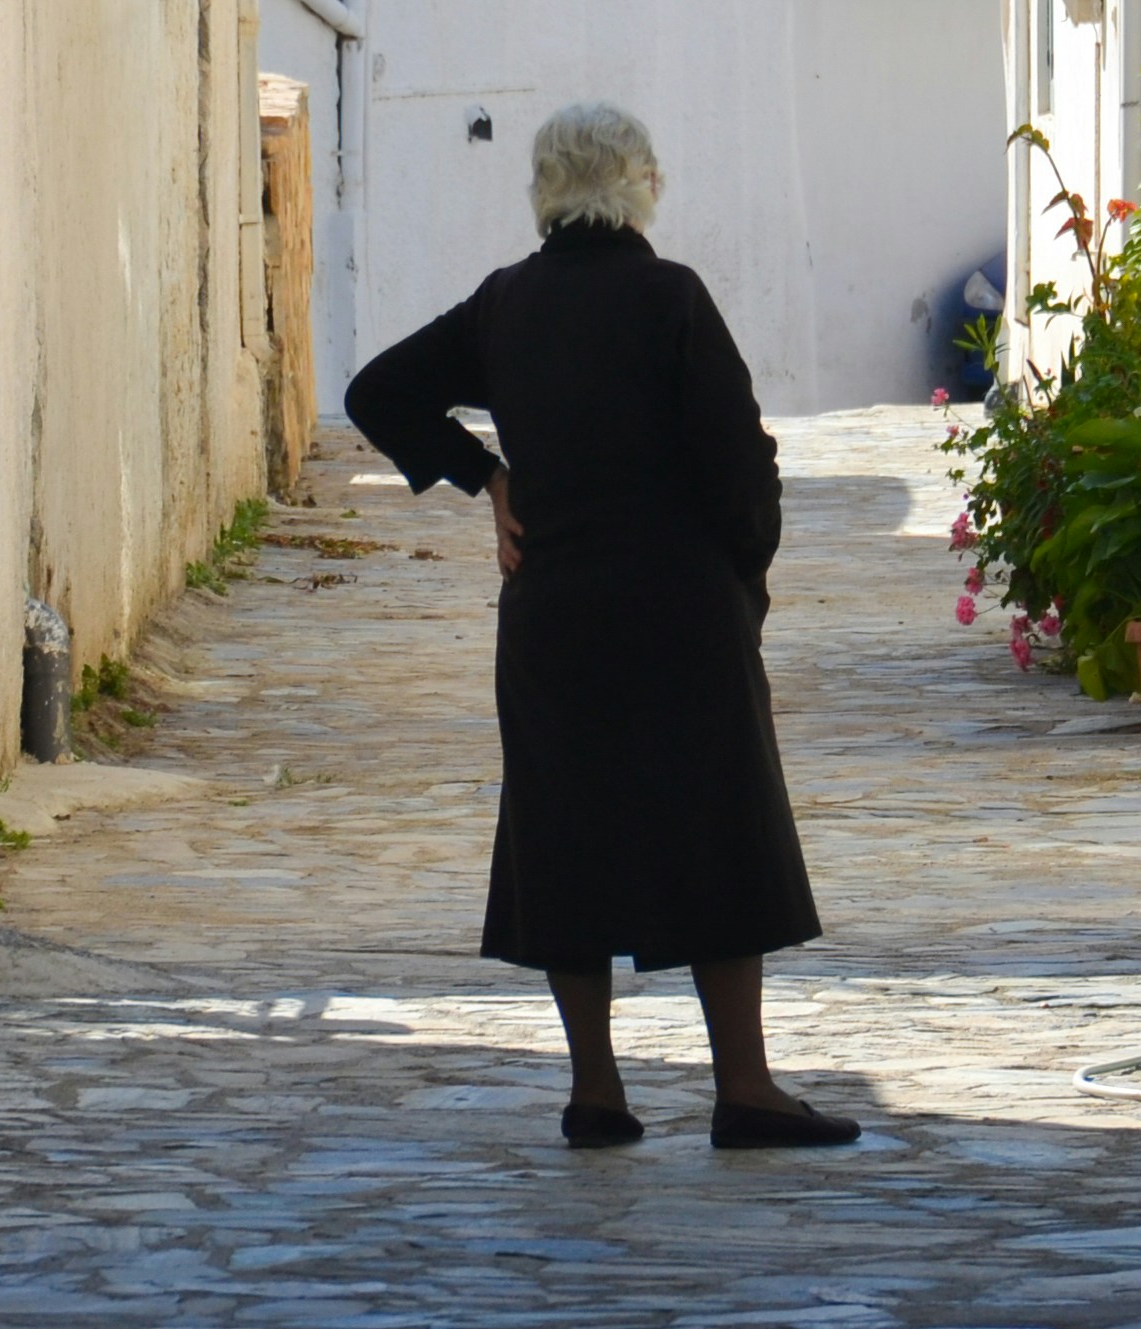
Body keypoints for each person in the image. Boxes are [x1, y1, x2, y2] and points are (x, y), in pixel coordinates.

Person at [341, 103, 862, 1151]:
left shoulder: (507, 305)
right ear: (642, 182)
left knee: (563, 834)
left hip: (555, 612)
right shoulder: (668, 298)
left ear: (543, 187)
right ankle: (745, 1088)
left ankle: (596, 1092)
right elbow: (736, 456)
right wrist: (747, 574)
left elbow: (378, 391)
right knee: (718, 832)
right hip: (681, 611)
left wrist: (489, 476)